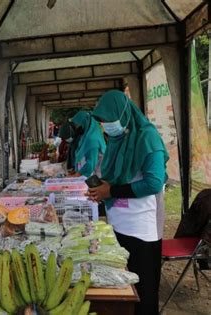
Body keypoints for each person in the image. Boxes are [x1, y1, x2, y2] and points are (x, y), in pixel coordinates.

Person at [87, 90, 168, 315]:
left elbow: (153, 183)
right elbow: (113, 177)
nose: (106, 125)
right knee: (123, 289)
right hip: (118, 224)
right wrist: (100, 189)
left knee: (143, 293)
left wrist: (110, 190)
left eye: (109, 120)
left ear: (123, 113)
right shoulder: (115, 140)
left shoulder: (147, 137)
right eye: (102, 121)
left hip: (141, 229)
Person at [69, 111, 106, 177]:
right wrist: (76, 171)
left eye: (77, 124)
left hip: (95, 177)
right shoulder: (85, 137)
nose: (76, 127)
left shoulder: (92, 139)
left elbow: (91, 163)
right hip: (87, 175)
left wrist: (76, 175)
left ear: (85, 122)